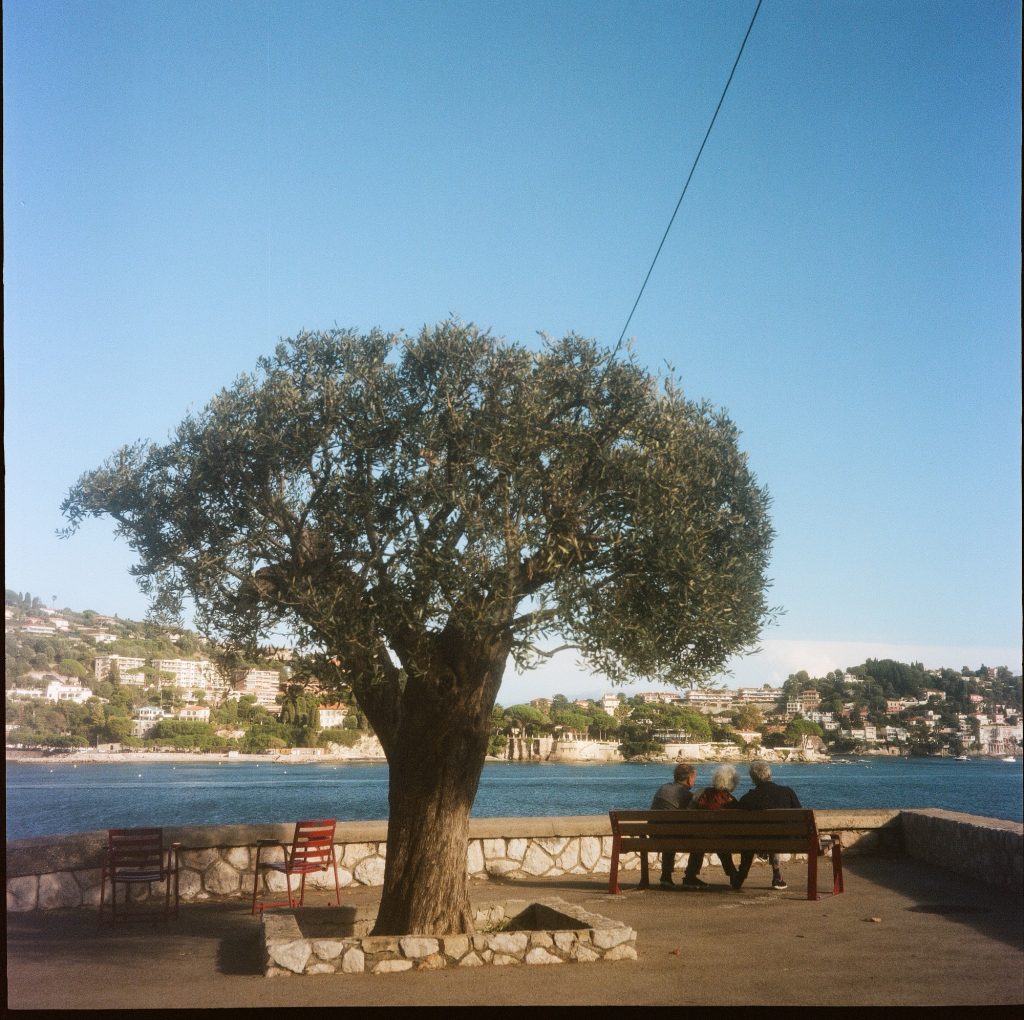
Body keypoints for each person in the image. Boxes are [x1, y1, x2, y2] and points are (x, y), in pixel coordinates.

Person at [732, 760, 801, 890]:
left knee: (752, 837)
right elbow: (799, 818)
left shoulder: (748, 798)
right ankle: (776, 875)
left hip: (756, 842)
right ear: (770, 774)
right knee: (774, 832)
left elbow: (739, 824)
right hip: (785, 841)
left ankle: (740, 876)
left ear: (753, 779)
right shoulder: (788, 793)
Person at [680, 764, 741, 889]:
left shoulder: (701, 793)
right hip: (720, 840)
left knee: (703, 838)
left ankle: (690, 876)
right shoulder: (730, 800)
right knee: (719, 840)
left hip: (697, 838)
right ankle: (733, 874)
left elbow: (688, 812)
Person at [650, 763, 696, 886]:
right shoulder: (687, 795)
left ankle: (666, 876)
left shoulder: (662, 788)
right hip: (672, 836)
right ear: (689, 778)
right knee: (699, 838)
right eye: (694, 778)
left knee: (669, 832)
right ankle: (691, 876)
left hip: (654, 836)